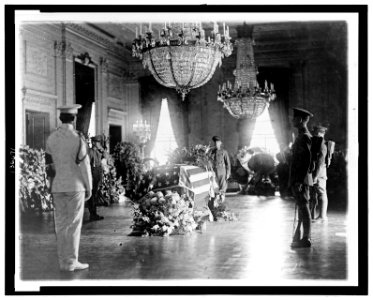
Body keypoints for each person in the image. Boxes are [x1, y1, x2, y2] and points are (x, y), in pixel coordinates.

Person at [45, 104, 92, 271]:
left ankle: (63, 262)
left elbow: (49, 167)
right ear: (74, 118)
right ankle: (72, 261)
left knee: (61, 224)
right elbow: (85, 165)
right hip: (76, 186)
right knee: (73, 224)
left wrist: (50, 186)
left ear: (60, 118)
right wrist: (89, 186)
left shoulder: (51, 138)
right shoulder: (78, 138)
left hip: (57, 186)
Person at [288, 107, 314, 248]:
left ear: (302, 120)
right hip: (299, 179)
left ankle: (306, 238)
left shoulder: (304, 136)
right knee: (302, 207)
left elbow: (306, 161)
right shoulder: (300, 136)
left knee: (304, 207)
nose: (293, 120)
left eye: (295, 118)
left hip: (301, 180)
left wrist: (299, 180)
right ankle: (301, 237)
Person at [310, 125, 330, 223]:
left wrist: (315, 175)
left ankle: (323, 216)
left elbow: (320, 162)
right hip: (319, 171)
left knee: (321, 192)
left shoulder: (322, 145)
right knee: (318, 193)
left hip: (320, 171)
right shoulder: (318, 143)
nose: (314, 134)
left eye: (316, 132)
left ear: (321, 133)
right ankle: (319, 216)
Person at [208, 136, 231, 203]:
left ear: (220, 143)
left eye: (218, 143)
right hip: (214, 170)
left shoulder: (224, 152)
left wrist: (228, 172)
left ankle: (222, 195)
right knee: (215, 184)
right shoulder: (212, 152)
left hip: (222, 170)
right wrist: (209, 150)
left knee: (222, 183)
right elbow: (208, 159)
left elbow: (228, 163)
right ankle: (217, 195)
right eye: (215, 143)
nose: (216, 144)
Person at [88, 135, 105, 221]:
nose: (98, 144)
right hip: (93, 172)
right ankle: (92, 214)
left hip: (98, 172)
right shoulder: (90, 151)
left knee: (95, 193)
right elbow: (89, 164)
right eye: (97, 142)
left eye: (99, 142)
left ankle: (94, 213)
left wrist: (101, 149)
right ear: (93, 143)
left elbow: (105, 157)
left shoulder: (99, 151)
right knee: (92, 194)